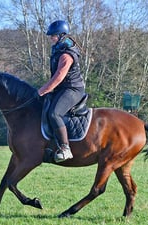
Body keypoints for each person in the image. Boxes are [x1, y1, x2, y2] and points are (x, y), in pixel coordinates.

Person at [38, 20, 86, 162]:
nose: (51, 38)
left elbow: (59, 77)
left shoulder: (66, 54)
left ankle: (65, 148)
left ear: (61, 35)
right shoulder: (59, 49)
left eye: (53, 36)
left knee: (55, 113)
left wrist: (42, 90)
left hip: (73, 89)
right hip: (63, 88)